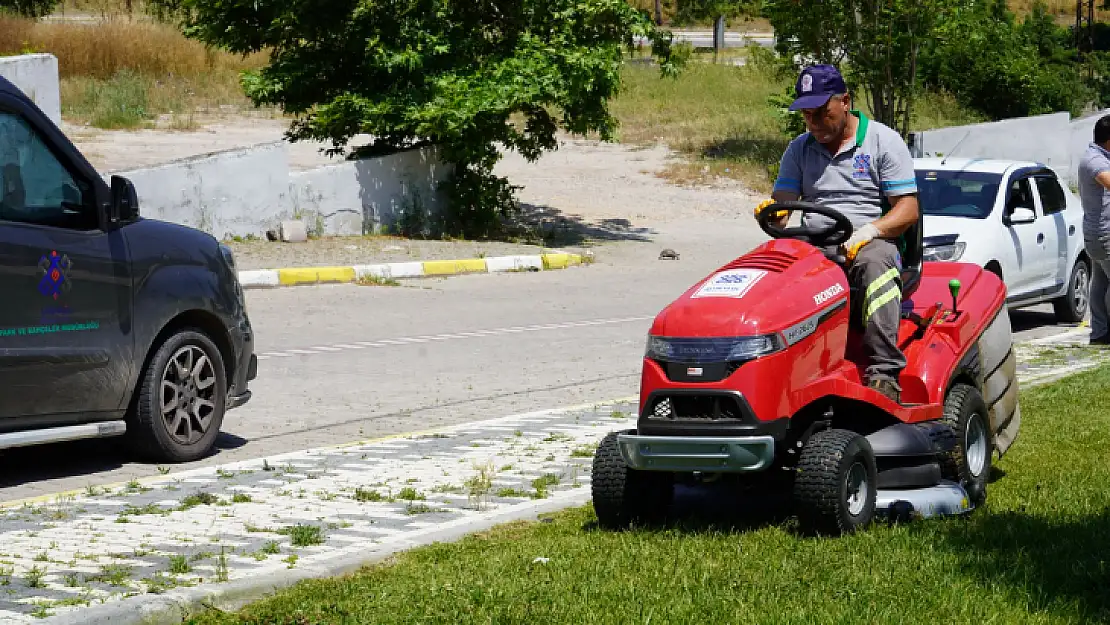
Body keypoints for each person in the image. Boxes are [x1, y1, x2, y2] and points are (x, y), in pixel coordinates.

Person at [754, 64, 920, 404]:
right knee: (766, 271)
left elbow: (907, 209)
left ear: (845, 101)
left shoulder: (882, 142)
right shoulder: (799, 149)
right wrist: (775, 212)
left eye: (822, 113)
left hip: (870, 242)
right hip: (815, 244)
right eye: (807, 116)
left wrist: (869, 231)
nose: (814, 124)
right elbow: (784, 204)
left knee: (876, 265)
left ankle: (884, 372)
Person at [1077, 114, 1110, 346]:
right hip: (1104, 233)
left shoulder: (1099, 157)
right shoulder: (1095, 161)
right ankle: (1102, 331)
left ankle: (1100, 333)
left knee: (1100, 283)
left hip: (1098, 233)